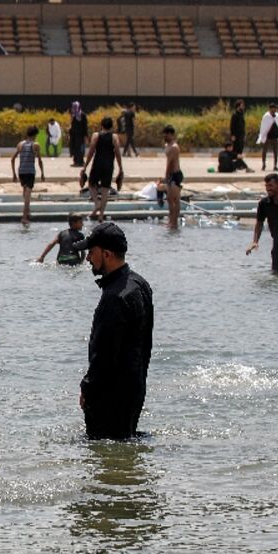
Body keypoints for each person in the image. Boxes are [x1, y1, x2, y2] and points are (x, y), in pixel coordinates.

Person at [74, 223, 154, 440]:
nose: (88, 258)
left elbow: (105, 353)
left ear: (107, 254)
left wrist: (87, 389)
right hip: (134, 389)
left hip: (110, 396)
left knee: (103, 460)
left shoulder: (115, 297)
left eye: (91, 252)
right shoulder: (140, 284)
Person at [83, 116, 123, 222]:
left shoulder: (96, 135)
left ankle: (97, 203)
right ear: (112, 126)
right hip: (109, 165)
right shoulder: (114, 137)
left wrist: (85, 166)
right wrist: (120, 168)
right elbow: (118, 153)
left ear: (101, 125)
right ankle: (101, 216)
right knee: (105, 190)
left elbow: (91, 152)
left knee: (91, 185)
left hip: (97, 163)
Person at [10, 126, 46, 225]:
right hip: (30, 172)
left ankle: (28, 212)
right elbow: (39, 160)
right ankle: (24, 218)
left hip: (21, 171)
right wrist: (42, 173)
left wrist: (14, 174)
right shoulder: (36, 145)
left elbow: (12, 159)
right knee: (28, 197)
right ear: (35, 135)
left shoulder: (20, 144)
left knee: (25, 192)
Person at [161, 125, 183, 231]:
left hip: (175, 174)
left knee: (175, 199)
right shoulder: (167, 145)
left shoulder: (174, 147)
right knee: (169, 199)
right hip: (170, 175)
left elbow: (170, 163)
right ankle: (171, 221)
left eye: (167, 134)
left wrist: (166, 176)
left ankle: (174, 223)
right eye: (164, 134)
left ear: (171, 135)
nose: (165, 136)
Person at [258, 102, 278, 171]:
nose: (274, 110)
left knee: (275, 152)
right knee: (265, 151)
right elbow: (263, 126)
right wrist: (262, 135)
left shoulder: (277, 115)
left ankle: (275, 165)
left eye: (275, 108)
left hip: (275, 136)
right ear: (270, 109)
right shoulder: (266, 116)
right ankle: (263, 164)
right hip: (267, 136)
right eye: (273, 108)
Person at [69, 101, 88, 167]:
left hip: (80, 135)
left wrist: (85, 135)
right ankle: (76, 161)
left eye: (75, 107)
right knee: (74, 148)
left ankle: (80, 162)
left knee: (80, 149)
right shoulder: (73, 115)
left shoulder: (82, 115)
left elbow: (85, 126)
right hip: (74, 135)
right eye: (73, 107)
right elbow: (72, 125)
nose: (74, 108)